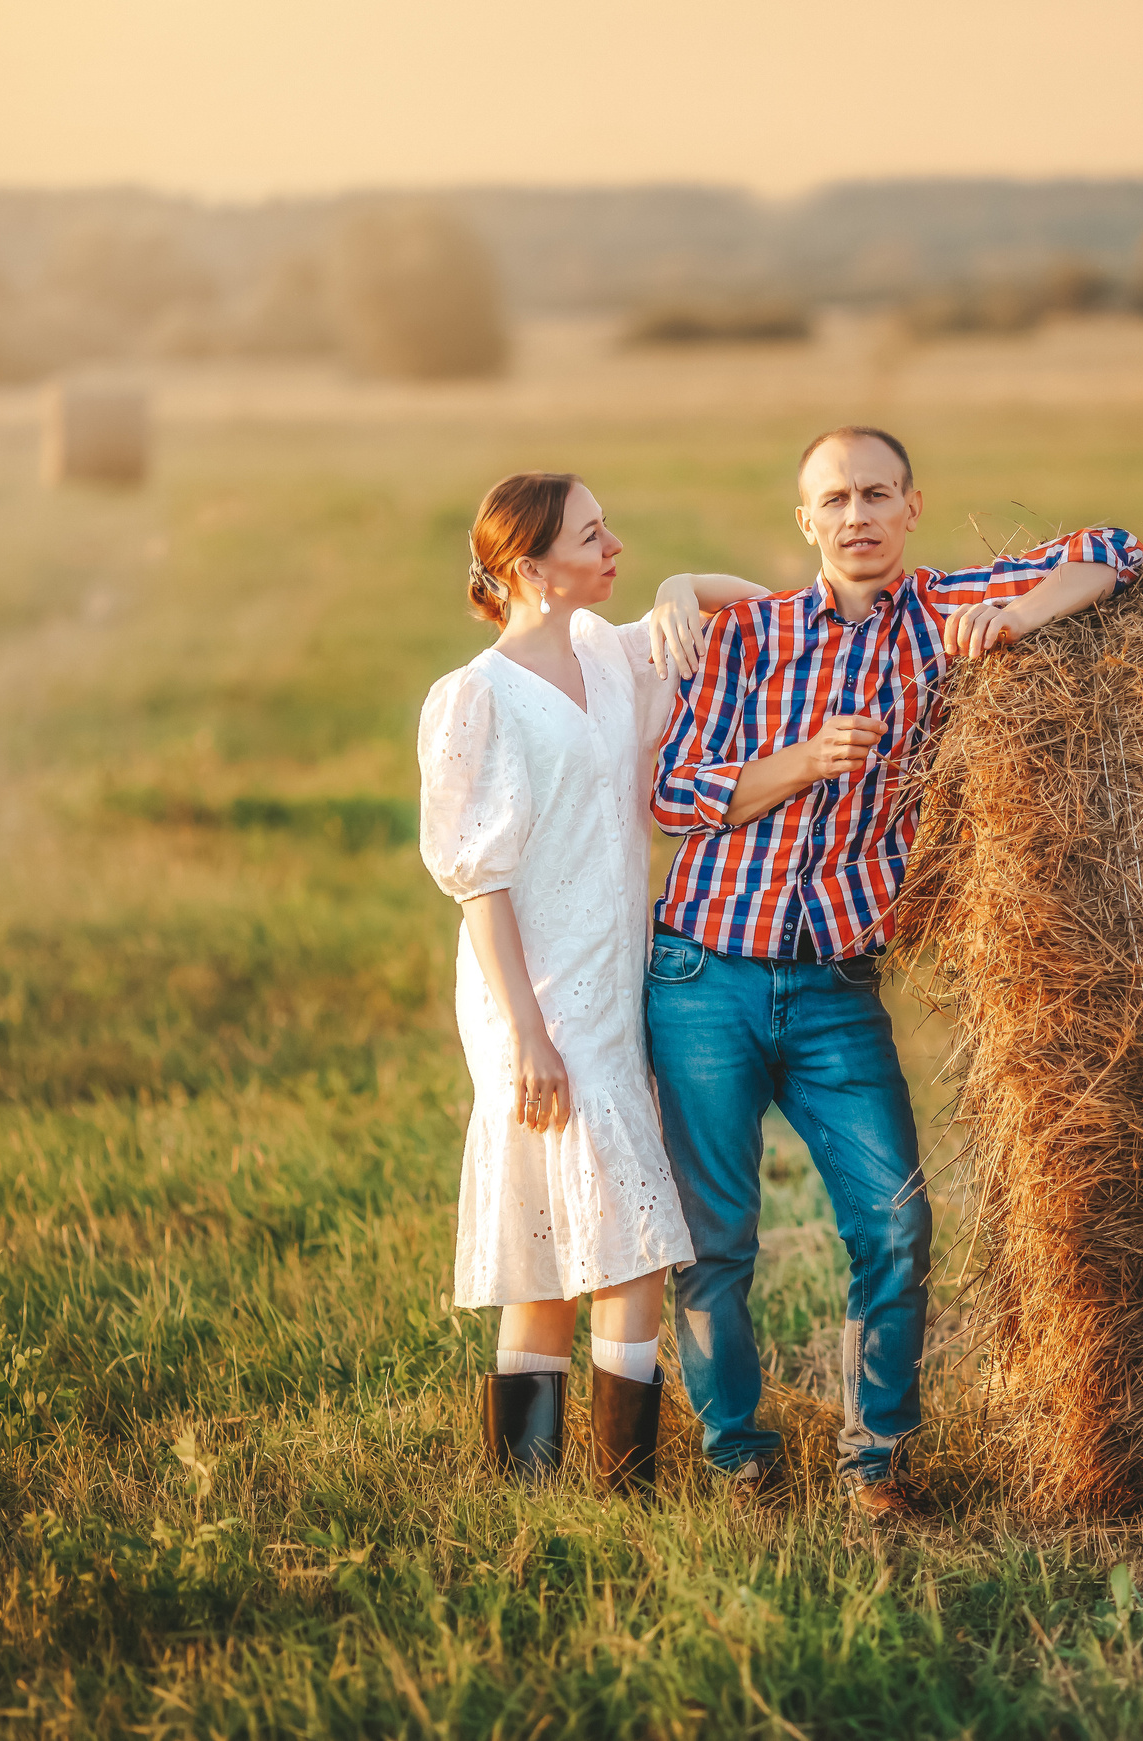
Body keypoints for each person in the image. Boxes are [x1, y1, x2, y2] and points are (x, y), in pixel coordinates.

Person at [650, 426, 1143, 1524]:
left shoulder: (937, 615)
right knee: (715, 1237)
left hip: (834, 986)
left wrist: (1013, 617)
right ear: (806, 522)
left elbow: (1114, 549)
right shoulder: (751, 635)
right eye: (835, 499)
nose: (857, 516)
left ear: (911, 508)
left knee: (894, 1222)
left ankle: (876, 1461)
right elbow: (674, 791)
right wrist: (800, 763)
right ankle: (740, 1454)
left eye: (877, 495)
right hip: (703, 971)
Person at [416, 471, 766, 1493]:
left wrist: (682, 588)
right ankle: (600, 1482)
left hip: (616, 987)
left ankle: (562, 1482)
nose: (616, 546)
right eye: (594, 534)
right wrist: (524, 1036)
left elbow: (762, 607)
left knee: (581, 1235)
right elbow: (478, 881)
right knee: (610, 1247)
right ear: (532, 566)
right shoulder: (473, 698)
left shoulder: (617, 660)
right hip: (532, 994)